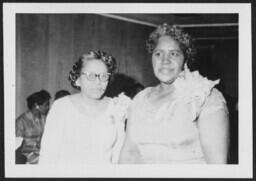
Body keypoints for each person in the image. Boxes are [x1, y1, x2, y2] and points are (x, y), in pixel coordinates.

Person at [119, 23, 229, 164]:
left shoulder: (206, 97)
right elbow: (129, 154)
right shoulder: (140, 99)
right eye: (158, 54)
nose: (165, 60)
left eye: (174, 53)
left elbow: (217, 166)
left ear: (185, 59)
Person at [39, 50, 131, 164]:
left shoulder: (116, 107)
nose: (98, 82)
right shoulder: (62, 107)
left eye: (103, 76)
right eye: (91, 76)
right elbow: (47, 157)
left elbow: (118, 154)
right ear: (77, 79)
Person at [15, 90, 51, 164]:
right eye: (46, 105)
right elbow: (18, 146)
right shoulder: (21, 121)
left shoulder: (45, 119)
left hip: (42, 152)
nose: (48, 107)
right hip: (26, 154)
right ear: (36, 105)